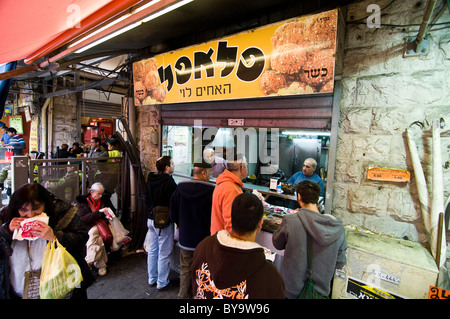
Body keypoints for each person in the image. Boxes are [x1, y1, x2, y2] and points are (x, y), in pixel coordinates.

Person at [0, 183, 93, 299]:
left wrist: (55, 237)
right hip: (16, 291)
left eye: (36, 207)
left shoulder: (63, 214)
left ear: (45, 204)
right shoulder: (5, 217)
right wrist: (6, 231)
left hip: (60, 288)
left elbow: (82, 239)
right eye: (23, 209)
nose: (30, 215)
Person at [191, 193, 285, 299]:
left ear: (232, 218)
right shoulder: (270, 277)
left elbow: (195, 287)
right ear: (260, 223)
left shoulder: (203, 247)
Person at [272, 181, 347, 299]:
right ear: (317, 199)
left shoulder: (291, 220)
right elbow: (340, 262)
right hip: (319, 293)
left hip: (290, 290)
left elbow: (277, 243)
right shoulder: (338, 229)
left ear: (299, 197)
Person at [170, 158, 214, 299]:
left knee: (185, 270)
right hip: (204, 241)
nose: (209, 175)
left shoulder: (180, 189)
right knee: (203, 272)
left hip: (186, 239)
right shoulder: (211, 192)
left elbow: (172, 212)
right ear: (204, 173)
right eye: (209, 172)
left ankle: (183, 296)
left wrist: (180, 225)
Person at [145, 156, 177, 291]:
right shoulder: (169, 182)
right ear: (167, 167)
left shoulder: (151, 179)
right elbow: (174, 202)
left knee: (153, 249)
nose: (174, 165)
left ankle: (152, 278)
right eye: (172, 163)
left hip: (151, 219)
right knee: (164, 252)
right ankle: (162, 282)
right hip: (163, 222)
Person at [76, 182, 116, 276]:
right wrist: (99, 212)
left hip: (103, 225)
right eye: (98, 194)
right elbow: (83, 219)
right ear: (91, 192)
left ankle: (88, 261)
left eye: (101, 193)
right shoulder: (83, 203)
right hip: (90, 226)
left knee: (93, 235)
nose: (100, 196)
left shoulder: (104, 200)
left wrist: (107, 213)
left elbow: (113, 211)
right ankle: (101, 265)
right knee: (97, 239)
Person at [210, 153, 247, 235]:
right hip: (224, 243)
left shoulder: (224, 183)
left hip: (217, 238)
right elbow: (231, 225)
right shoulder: (231, 189)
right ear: (242, 168)